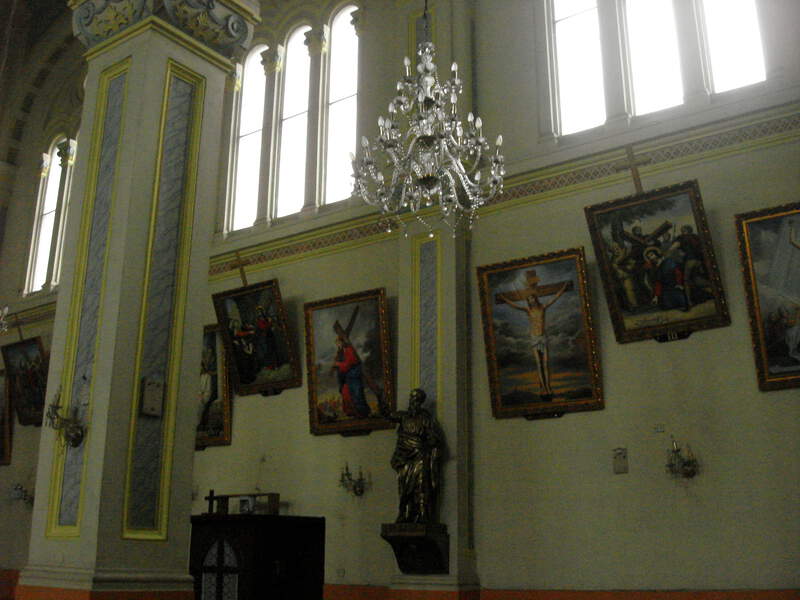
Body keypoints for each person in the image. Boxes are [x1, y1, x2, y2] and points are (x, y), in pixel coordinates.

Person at [498, 281, 568, 399]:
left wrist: (563, 288)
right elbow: (515, 306)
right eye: (529, 300)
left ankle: (548, 387)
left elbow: (554, 298)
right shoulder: (528, 310)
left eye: (533, 299)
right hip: (534, 338)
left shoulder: (542, 308)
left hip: (542, 337)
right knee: (539, 364)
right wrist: (505, 299)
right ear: (528, 301)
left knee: (545, 364)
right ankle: (543, 388)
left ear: (536, 299)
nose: (531, 301)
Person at [386, 389, 443, 524]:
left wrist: (431, 443)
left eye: (416, 400)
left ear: (420, 402)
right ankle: (405, 514)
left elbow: (433, 437)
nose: (413, 402)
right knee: (405, 486)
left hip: (419, 456)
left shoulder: (425, 418)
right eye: (412, 399)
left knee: (421, 484)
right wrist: (380, 397)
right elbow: (388, 415)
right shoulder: (404, 417)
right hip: (404, 456)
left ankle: (423, 515)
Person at [331, 335, 369, 418]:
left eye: (339, 342)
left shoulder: (349, 350)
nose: (338, 345)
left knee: (356, 393)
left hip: (353, 375)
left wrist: (338, 364)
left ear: (342, 342)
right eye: (337, 343)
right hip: (346, 377)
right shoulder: (340, 352)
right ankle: (351, 412)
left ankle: (361, 413)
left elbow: (349, 363)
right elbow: (340, 364)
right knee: (345, 393)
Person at [643, 246, 688, 311]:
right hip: (666, 290)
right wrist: (656, 297)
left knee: (681, 301)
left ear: (657, 254)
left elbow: (677, 273)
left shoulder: (668, 261)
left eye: (652, 255)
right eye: (649, 257)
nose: (651, 258)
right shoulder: (655, 269)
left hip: (675, 286)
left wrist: (679, 284)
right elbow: (658, 283)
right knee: (667, 305)